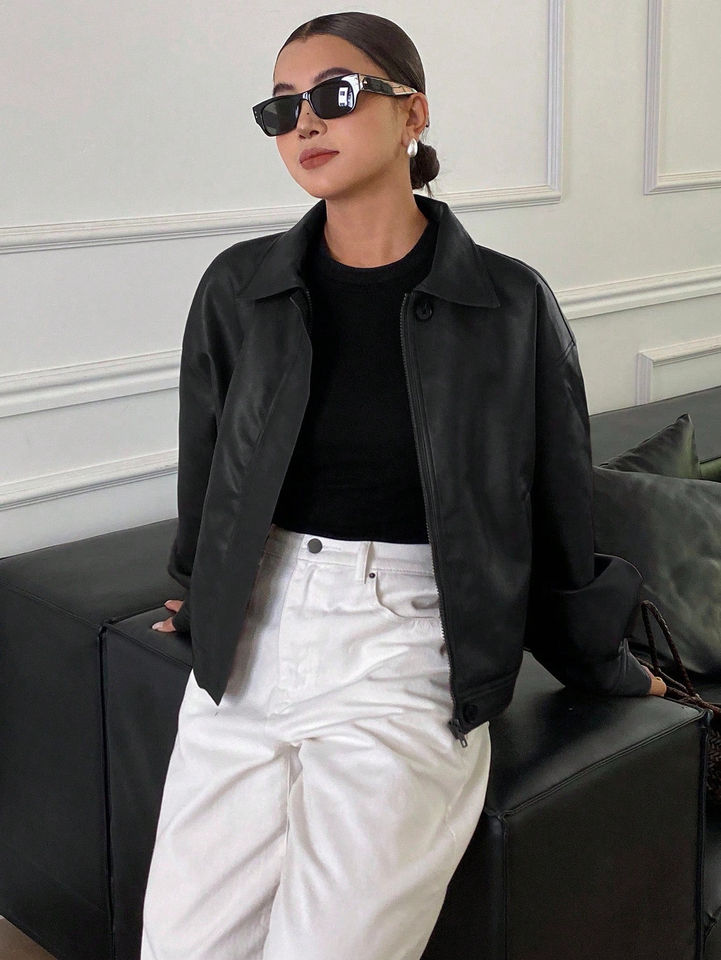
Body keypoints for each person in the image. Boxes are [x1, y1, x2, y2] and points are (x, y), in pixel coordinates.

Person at [140, 12, 667, 960]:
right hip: (248, 638)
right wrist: (196, 587)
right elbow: (210, 465)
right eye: (281, 107)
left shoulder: (506, 302)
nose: (304, 121)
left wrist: (604, 663)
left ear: (411, 113)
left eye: (334, 93)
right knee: (180, 946)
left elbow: (555, 503)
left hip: (410, 642)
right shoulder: (238, 287)